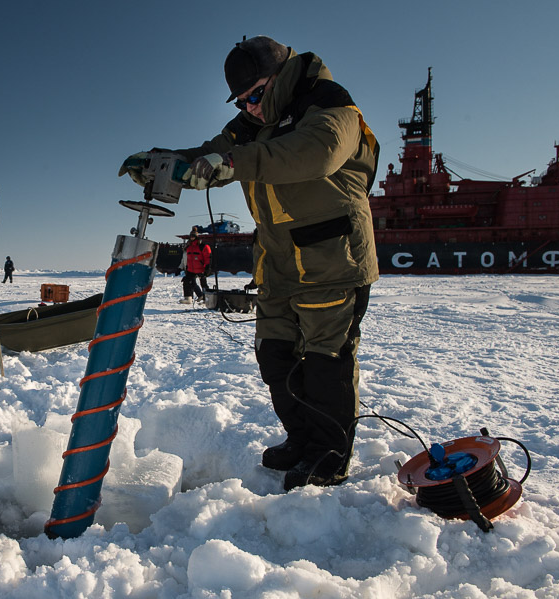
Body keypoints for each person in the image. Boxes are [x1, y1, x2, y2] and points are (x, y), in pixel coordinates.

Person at [119, 36, 379, 491]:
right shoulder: (250, 124)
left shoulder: (332, 107)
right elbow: (211, 155)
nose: (250, 108)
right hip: (277, 264)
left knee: (325, 360)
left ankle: (330, 454)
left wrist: (233, 162)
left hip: (330, 259)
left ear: (280, 77)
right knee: (274, 356)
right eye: (241, 101)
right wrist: (167, 163)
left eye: (255, 96)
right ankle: (301, 439)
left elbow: (314, 153)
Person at [179, 228, 211, 304]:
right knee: (186, 281)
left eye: (193, 236)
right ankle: (188, 298)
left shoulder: (202, 246)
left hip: (200, 268)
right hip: (191, 269)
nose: (192, 238)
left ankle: (206, 299)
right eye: (191, 236)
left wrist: (207, 267)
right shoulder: (188, 247)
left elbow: (207, 257)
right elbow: (185, 258)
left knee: (203, 284)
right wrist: (180, 267)